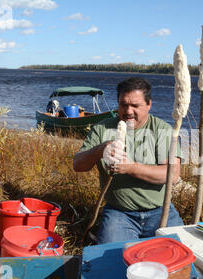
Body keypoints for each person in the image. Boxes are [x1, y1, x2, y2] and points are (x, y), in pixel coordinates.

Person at [73, 77, 184, 244]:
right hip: (120, 213)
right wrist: (100, 149)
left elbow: (172, 175)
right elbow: (78, 165)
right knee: (112, 259)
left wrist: (130, 167)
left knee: (183, 253)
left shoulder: (163, 130)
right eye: (123, 105)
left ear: (149, 105)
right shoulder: (102, 129)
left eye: (135, 106)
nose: (128, 111)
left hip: (161, 211)